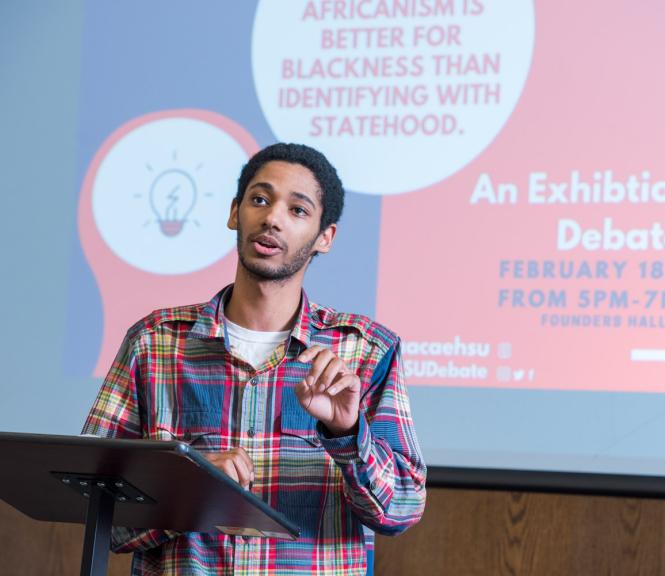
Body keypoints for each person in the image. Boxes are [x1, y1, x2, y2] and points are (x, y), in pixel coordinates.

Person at [82, 142, 427, 575]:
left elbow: (403, 509)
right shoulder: (154, 343)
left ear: (326, 237)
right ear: (234, 213)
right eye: (259, 200)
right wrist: (189, 488)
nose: (272, 218)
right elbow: (96, 510)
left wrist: (348, 432)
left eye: (298, 210)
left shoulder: (366, 351)